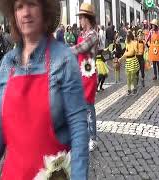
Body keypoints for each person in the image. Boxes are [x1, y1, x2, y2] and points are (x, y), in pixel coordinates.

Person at [0, 0, 88, 179]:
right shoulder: (7, 63)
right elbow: (0, 124)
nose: (26, 13)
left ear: (45, 10)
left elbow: (78, 126)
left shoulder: (64, 60)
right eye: (19, 7)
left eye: (31, 4)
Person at [71, 2, 99, 151]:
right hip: (81, 74)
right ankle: (85, 136)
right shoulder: (82, 34)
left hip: (89, 75)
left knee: (88, 107)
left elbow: (82, 48)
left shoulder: (93, 35)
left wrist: (63, 50)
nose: (79, 21)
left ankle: (93, 138)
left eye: (81, 18)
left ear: (86, 18)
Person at [119, 30, 140, 95]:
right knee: (128, 76)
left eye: (127, 36)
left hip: (133, 60)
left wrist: (136, 47)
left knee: (133, 76)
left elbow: (136, 51)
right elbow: (126, 52)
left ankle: (135, 88)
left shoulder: (134, 42)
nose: (126, 37)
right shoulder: (127, 42)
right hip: (128, 61)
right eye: (126, 36)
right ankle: (129, 89)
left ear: (130, 36)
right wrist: (121, 58)